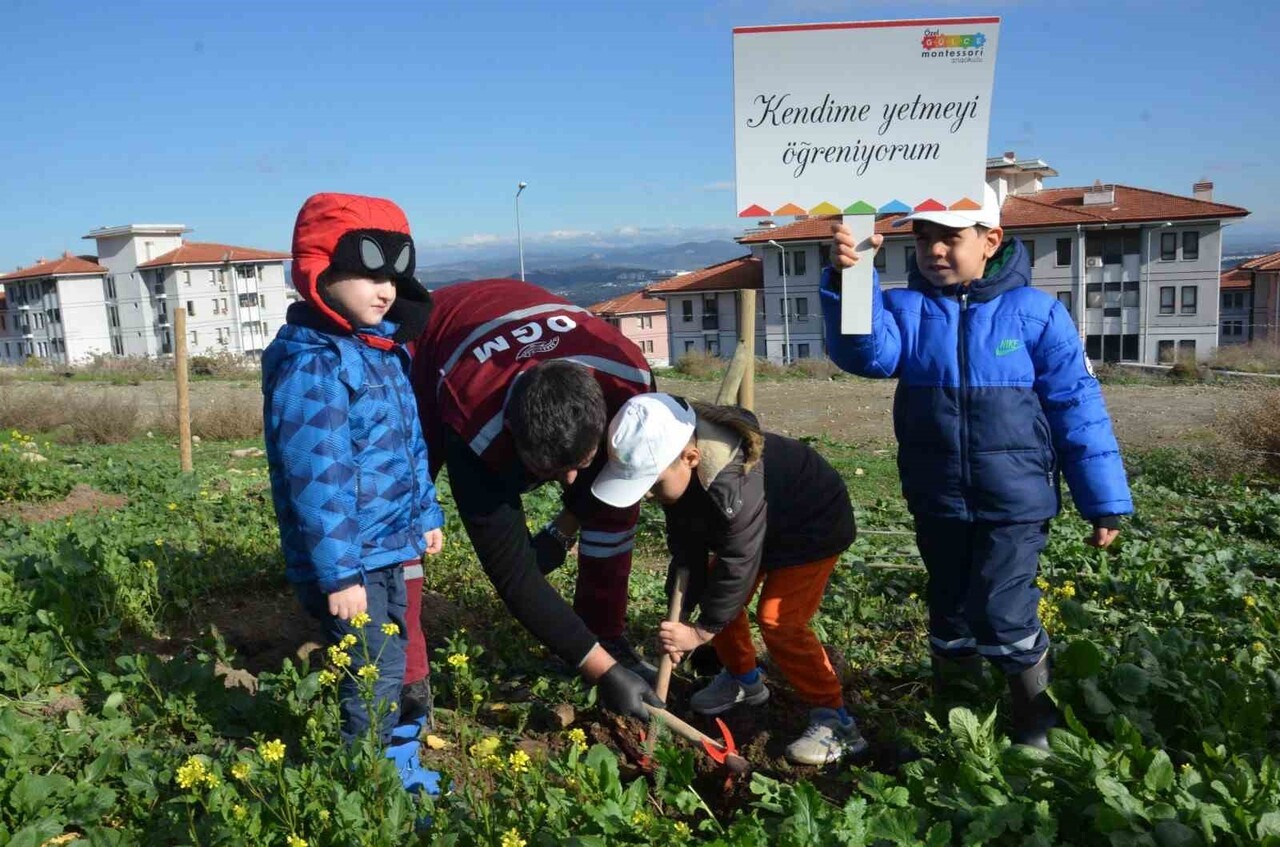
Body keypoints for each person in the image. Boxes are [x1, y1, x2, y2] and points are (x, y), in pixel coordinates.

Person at [820, 185, 1132, 749]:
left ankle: (1037, 717)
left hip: (1016, 499)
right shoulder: (904, 309)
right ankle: (960, 705)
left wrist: (1103, 499)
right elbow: (866, 355)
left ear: (991, 240)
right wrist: (851, 277)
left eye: (950, 238)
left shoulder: (1037, 314)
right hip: (937, 493)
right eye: (923, 239)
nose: (935, 251)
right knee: (949, 603)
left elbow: (1077, 407)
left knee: (1000, 606)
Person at [407, 278, 663, 720]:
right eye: (547, 471)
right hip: (434, 346)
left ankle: (606, 630)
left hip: (514, 321)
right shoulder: (475, 431)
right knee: (404, 505)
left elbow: (601, 497)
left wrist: (565, 528)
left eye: (578, 463)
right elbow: (515, 577)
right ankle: (405, 668)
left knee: (612, 503)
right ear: (512, 436)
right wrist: (605, 673)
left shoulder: (630, 385)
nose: (568, 481)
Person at [262, 192, 445, 793]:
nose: (385, 288)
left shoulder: (381, 351)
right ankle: (368, 776)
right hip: (352, 559)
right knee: (374, 667)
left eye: (394, 274)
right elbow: (317, 478)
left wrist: (426, 511)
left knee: (392, 657)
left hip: (390, 543)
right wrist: (338, 575)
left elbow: (409, 443)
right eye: (367, 272)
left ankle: (394, 756)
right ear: (320, 272)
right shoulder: (314, 364)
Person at [592, 393, 865, 765]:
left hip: (811, 527)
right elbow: (688, 552)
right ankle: (744, 682)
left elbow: (738, 561)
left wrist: (701, 634)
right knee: (716, 599)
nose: (649, 496)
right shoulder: (684, 476)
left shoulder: (730, 485)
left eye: (652, 484)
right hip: (760, 531)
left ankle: (836, 721)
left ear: (690, 458)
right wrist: (684, 617)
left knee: (778, 620)